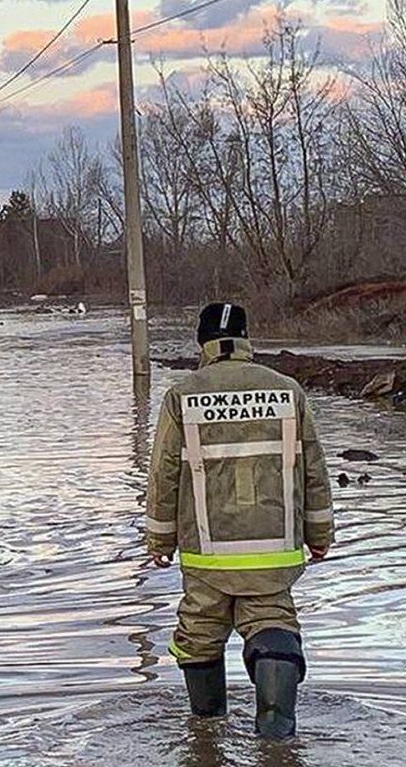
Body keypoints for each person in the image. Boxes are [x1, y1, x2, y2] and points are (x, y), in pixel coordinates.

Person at [146, 303, 334, 739]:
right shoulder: (287, 391)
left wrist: (159, 541)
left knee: (199, 636)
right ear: (248, 340)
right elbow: (314, 472)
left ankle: (207, 733)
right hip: (274, 551)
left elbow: (163, 475)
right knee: (274, 626)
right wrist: (320, 535)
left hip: (207, 555)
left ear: (203, 343)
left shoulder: (183, 396)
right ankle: (276, 737)